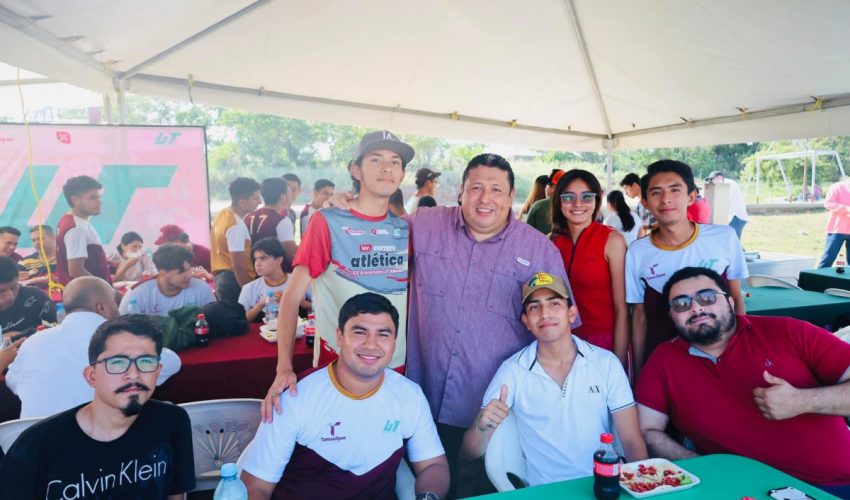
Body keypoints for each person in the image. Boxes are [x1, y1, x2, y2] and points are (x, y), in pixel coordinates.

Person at [405, 153, 574, 495]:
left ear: (512, 196)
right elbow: (373, 233)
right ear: (461, 191)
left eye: (496, 190)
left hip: (492, 411)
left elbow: (557, 330)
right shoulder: (423, 223)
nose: (485, 198)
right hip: (421, 400)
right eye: (476, 188)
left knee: (479, 489)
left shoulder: (538, 249)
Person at [636, 267, 850, 497]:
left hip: (833, 485)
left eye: (707, 298)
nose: (696, 308)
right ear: (671, 316)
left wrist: (801, 401)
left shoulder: (789, 332)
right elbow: (647, 430)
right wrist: (702, 467)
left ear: (729, 301)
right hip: (737, 489)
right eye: (681, 304)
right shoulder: (664, 359)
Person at [263, 130, 413, 422]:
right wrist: (284, 367)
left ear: (402, 173)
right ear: (355, 169)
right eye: (376, 159)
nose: (387, 168)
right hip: (339, 368)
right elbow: (291, 298)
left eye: (395, 162)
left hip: (396, 368)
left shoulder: (406, 229)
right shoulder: (326, 221)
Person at [241, 293, 449, 499]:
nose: (371, 344)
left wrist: (427, 497)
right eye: (360, 332)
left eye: (383, 334)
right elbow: (256, 486)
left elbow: (433, 464)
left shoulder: (409, 395)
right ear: (339, 336)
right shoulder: (294, 397)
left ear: (395, 341)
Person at [461, 272, 647, 485]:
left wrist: (642, 487)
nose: (545, 313)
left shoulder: (605, 363)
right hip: (546, 491)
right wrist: (483, 425)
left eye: (554, 304)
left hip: (604, 485)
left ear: (572, 314)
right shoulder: (513, 370)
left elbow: (632, 441)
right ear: (526, 322)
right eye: (534, 307)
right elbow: (469, 451)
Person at [0, 315, 196, 499]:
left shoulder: (172, 421)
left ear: (158, 371)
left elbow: (175, 494)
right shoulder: (35, 448)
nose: (134, 374)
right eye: (118, 363)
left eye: (146, 361)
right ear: (91, 376)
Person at [626, 160, 748, 376]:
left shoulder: (724, 238)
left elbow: (736, 299)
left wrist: (742, 352)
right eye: (656, 193)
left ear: (691, 196)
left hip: (720, 358)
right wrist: (638, 372)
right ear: (644, 201)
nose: (666, 199)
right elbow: (639, 316)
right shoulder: (637, 252)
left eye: (675, 190)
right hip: (663, 363)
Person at [7, 276, 181, 418]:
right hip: (104, 449)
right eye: (115, 303)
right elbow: (172, 362)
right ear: (102, 307)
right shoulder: (125, 342)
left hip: (35, 451)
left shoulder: (33, 342)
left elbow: (13, 382)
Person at [551, 170, 629, 367]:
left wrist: (617, 364)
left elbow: (622, 309)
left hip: (603, 345)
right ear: (559, 202)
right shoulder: (549, 242)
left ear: (597, 200)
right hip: (560, 344)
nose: (578, 203)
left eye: (586, 197)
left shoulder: (612, 240)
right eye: (569, 197)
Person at [119, 244, 215, 316]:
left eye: (190, 268)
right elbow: (122, 330)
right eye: (181, 272)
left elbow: (213, 323)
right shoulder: (137, 294)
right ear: (162, 272)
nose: (189, 275)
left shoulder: (202, 289)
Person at [238, 238, 311, 322]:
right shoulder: (249, 288)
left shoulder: (300, 281)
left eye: (263, 258)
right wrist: (261, 304)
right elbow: (241, 320)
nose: (257, 264)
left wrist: (302, 303)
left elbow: (323, 307)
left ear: (279, 260)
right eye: (255, 259)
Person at [56, 175, 112, 285]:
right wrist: (106, 290)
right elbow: (76, 270)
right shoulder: (76, 228)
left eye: (98, 197)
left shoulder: (71, 221)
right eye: (92, 198)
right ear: (75, 200)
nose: (99, 202)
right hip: (90, 298)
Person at [211, 177, 261, 288]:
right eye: (255, 198)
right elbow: (238, 265)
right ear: (242, 202)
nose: (260, 202)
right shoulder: (236, 225)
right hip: (233, 281)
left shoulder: (222, 214)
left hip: (221, 278)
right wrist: (247, 290)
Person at [245, 177, 297, 270]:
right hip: (275, 275)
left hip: (253, 270)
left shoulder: (248, 217)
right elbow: (292, 254)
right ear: (283, 197)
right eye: (289, 192)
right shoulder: (281, 220)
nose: (292, 195)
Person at [0, 256, 56, 342]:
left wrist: (28, 334)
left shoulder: (35, 297)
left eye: (14, 287)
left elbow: (57, 328)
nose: (10, 297)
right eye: (1, 291)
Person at [706, 170, 749, 239]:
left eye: (712, 179)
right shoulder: (724, 185)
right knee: (730, 241)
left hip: (736, 217)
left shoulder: (728, 183)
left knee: (733, 241)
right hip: (733, 218)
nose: (712, 182)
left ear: (720, 177)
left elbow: (728, 201)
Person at [818, 177, 850, 268]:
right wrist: (847, 209)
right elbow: (828, 203)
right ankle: (817, 280)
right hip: (837, 229)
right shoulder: (837, 187)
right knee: (828, 258)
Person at [525, 169, 565, 235]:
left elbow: (526, 233)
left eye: (547, 186)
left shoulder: (538, 205)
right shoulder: (569, 205)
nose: (545, 189)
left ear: (552, 188)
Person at [620, 172, 655, 237]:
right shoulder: (638, 207)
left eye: (626, 189)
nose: (626, 193)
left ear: (634, 185)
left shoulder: (653, 200)